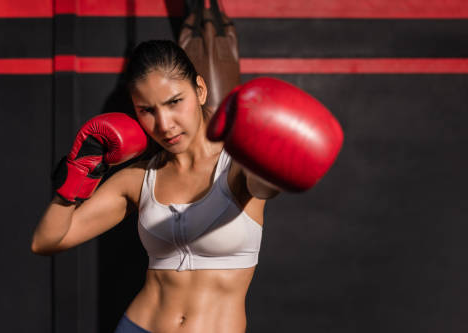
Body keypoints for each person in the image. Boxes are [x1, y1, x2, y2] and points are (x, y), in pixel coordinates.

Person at [31, 40, 342, 333]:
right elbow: (46, 241)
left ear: (201, 90)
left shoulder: (236, 168)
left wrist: (274, 143)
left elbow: (268, 182)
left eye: (174, 102)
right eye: (147, 111)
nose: (164, 124)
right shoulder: (138, 179)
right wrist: (78, 174)